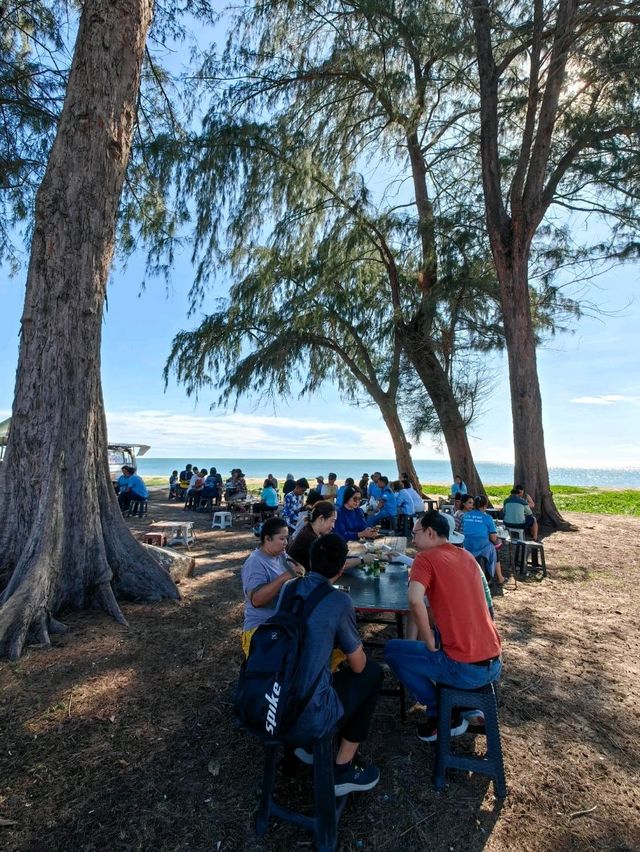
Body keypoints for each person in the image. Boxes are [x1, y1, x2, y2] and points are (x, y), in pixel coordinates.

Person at [384, 511, 502, 742]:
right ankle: (464, 705)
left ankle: (441, 712)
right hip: (493, 662)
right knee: (440, 641)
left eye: (415, 532)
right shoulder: (466, 556)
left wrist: (427, 638)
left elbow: (415, 599)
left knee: (392, 651)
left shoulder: (425, 559)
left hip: (463, 667)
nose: (412, 538)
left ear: (430, 532)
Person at [282, 534, 383, 795]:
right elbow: (359, 665)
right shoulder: (339, 601)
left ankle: (304, 749)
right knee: (372, 674)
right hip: (309, 710)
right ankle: (342, 768)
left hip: (278, 695)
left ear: (311, 561)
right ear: (341, 569)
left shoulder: (288, 588)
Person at [240, 517, 305, 656]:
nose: (286, 543)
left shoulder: (280, 555)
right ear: (268, 539)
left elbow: (295, 568)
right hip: (261, 628)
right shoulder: (255, 563)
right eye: (282, 539)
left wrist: (298, 570)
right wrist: (283, 578)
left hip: (282, 622)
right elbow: (256, 600)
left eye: (287, 538)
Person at [462, 495, 505, 586]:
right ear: (485, 506)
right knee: (495, 549)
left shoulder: (465, 515)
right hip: (481, 547)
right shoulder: (487, 518)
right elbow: (493, 538)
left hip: (467, 546)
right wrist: (498, 540)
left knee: (490, 546)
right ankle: (497, 577)